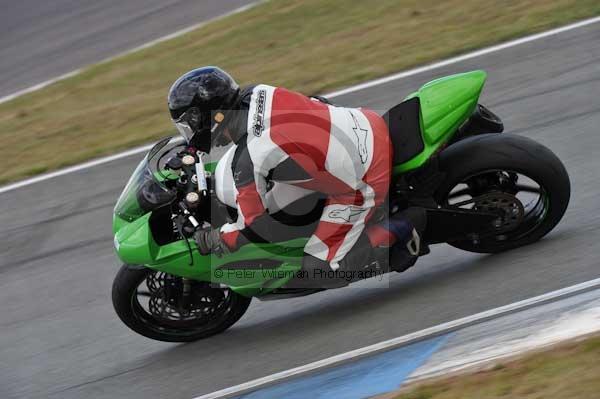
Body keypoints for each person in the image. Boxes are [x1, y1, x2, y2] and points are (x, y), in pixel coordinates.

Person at [167, 66, 426, 288]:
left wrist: (217, 238)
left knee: (318, 269)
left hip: (364, 176)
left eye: (189, 124)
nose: (190, 131)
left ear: (209, 117)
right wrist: (190, 151)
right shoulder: (257, 92)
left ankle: (403, 229)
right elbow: (318, 100)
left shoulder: (249, 158)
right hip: (361, 122)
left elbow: (255, 229)